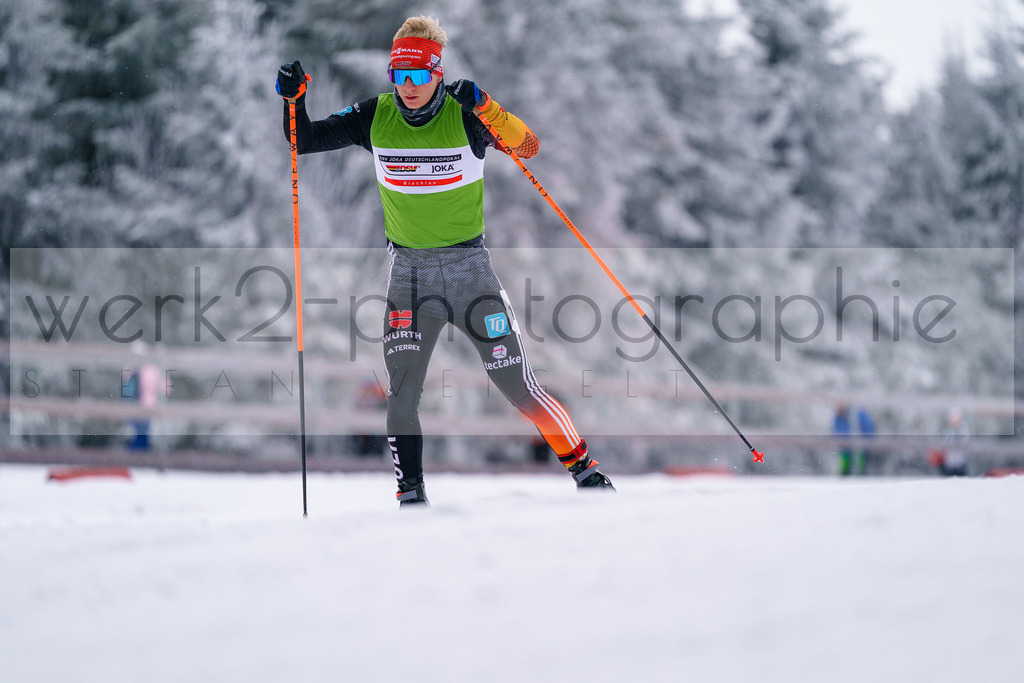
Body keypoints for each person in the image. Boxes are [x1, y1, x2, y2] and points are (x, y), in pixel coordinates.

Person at [277, 16, 614, 506]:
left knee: (517, 387)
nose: (408, 86)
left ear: (437, 73)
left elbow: (528, 145)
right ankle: (410, 495)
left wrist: (486, 106)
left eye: (418, 75)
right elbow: (302, 140)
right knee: (401, 393)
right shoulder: (375, 115)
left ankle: (585, 470)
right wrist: (294, 101)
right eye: (399, 75)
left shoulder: (464, 114)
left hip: (470, 275)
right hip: (409, 280)